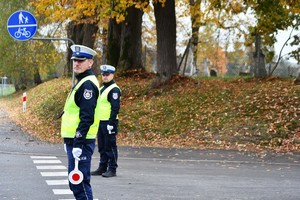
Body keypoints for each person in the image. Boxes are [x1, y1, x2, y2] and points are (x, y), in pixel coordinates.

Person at [61, 44, 100, 199]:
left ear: (90, 63)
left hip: (81, 141)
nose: (76, 63)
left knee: (80, 183)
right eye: (74, 60)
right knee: (75, 182)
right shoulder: (82, 81)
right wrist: (68, 140)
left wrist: (77, 141)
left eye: (81, 60)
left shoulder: (87, 84)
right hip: (75, 141)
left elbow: (87, 117)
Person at [91, 64, 121, 178]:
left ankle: (112, 169)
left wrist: (111, 123)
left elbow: (115, 108)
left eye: (107, 75)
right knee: (102, 147)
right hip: (100, 121)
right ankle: (102, 167)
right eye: (103, 75)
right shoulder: (102, 88)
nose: (105, 77)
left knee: (110, 146)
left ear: (112, 75)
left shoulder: (114, 89)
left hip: (109, 122)